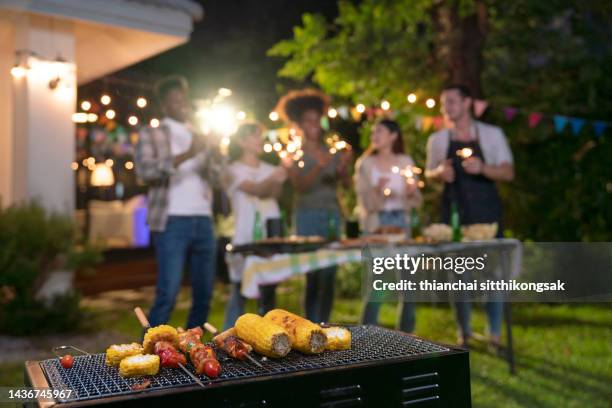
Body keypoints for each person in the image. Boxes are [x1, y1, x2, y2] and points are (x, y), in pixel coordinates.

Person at [425, 84, 514, 347]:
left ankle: (494, 334)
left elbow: (508, 173)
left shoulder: (491, 135)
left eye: (451, 101)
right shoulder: (438, 139)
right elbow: (428, 174)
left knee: (494, 277)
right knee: (459, 277)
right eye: (443, 103)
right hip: (454, 216)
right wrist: (439, 173)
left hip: (486, 215)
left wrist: (483, 167)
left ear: (467, 103)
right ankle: (463, 333)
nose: (446, 108)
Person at [134, 75, 222, 329]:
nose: (182, 106)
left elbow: (217, 178)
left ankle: (193, 352)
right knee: (168, 293)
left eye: (184, 100)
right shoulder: (153, 133)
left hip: (203, 219)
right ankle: (147, 354)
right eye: (175, 101)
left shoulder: (199, 134)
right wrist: (187, 154)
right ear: (165, 105)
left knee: (204, 294)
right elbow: (145, 171)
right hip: (172, 220)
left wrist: (215, 152)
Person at [276, 89, 353, 323]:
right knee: (313, 273)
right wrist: (319, 167)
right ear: (299, 124)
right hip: (307, 215)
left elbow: (347, 185)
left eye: (316, 120)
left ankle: (325, 322)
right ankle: (310, 323)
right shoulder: (294, 153)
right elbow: (299, 186)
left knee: (330, 271)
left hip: (331, 213)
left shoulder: (330, 150)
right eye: (308, 121)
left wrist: (342, 171)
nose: (314, 125)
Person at [356, 119, 422, 333]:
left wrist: (411, 192)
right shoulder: (365, 164)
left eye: (380, 131)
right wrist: (377, 190)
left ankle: (407, 337)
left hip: (401, 224)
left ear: (394, 136)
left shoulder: (405, 161)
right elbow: (365, 204)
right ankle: (366, 336)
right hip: (377, 226)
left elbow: (417, 200)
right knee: (378, 285)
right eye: (373, 131)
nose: (374, 135)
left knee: (409, 286)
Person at [222, 122, 288, 329]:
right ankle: (227, 337)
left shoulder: (269, 169)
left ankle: (268, 337)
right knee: (240, 291)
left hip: (270, 236)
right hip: (245, 238)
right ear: (241, 141)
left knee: (269, 292)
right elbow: (257, 190)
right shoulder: (231, 169)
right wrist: (279, 174)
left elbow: (274, 193)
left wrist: (277, 177)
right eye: (255, 136)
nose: (260, 140)